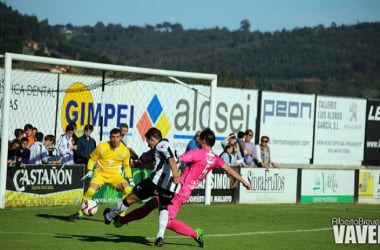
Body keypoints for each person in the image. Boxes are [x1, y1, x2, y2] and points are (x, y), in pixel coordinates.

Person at [109, 128, 252, 248]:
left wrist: (154, 159)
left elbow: (177, 159)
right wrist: (244, 181)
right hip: (185, 192)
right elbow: (230, 169)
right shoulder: (215, 157)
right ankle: (121, 221)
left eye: (199, 139)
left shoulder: (197, 153)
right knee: (151, 205)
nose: (197, 141)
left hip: (177, 188)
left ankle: (196, 234)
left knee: (168, 221)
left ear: (203, 141)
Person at [103, 127, 181, 247]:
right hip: (170, 187)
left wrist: (176, 174)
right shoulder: (170, 145)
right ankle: (160, 236)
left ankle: (109, 216)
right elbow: (156, 165)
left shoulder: (161, 145)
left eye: (148, 142)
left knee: (130, 198)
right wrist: (138, 164)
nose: (149, 145)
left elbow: (170, 160)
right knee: (163, 207)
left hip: (156, 182)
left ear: (153, 139)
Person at [68, 128, 135, 221]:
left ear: (121, 137)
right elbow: (92, 159)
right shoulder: (102, 147)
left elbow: (126, 166)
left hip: (115, 176)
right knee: (90, 191)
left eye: (117, 137)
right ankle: (80, 213)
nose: (115, 139)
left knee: (128, 190)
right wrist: (90, 170)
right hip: (100, 174)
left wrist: (130, 179)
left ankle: (121, 215)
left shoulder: (125, 151)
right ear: (110, 137)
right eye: (113, 137)